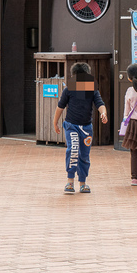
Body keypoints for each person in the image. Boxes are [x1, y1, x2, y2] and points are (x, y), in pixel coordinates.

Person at [53, 62, 108, 194]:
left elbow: (100, 103)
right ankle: (70, 181)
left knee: (84, 154)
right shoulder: (68, 90)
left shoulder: (92, 89)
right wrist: (55, 123)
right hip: (71, 125)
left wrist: (103, 113)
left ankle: (83, 183)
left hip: (86, 127)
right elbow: (60, 107)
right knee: (73, 150)